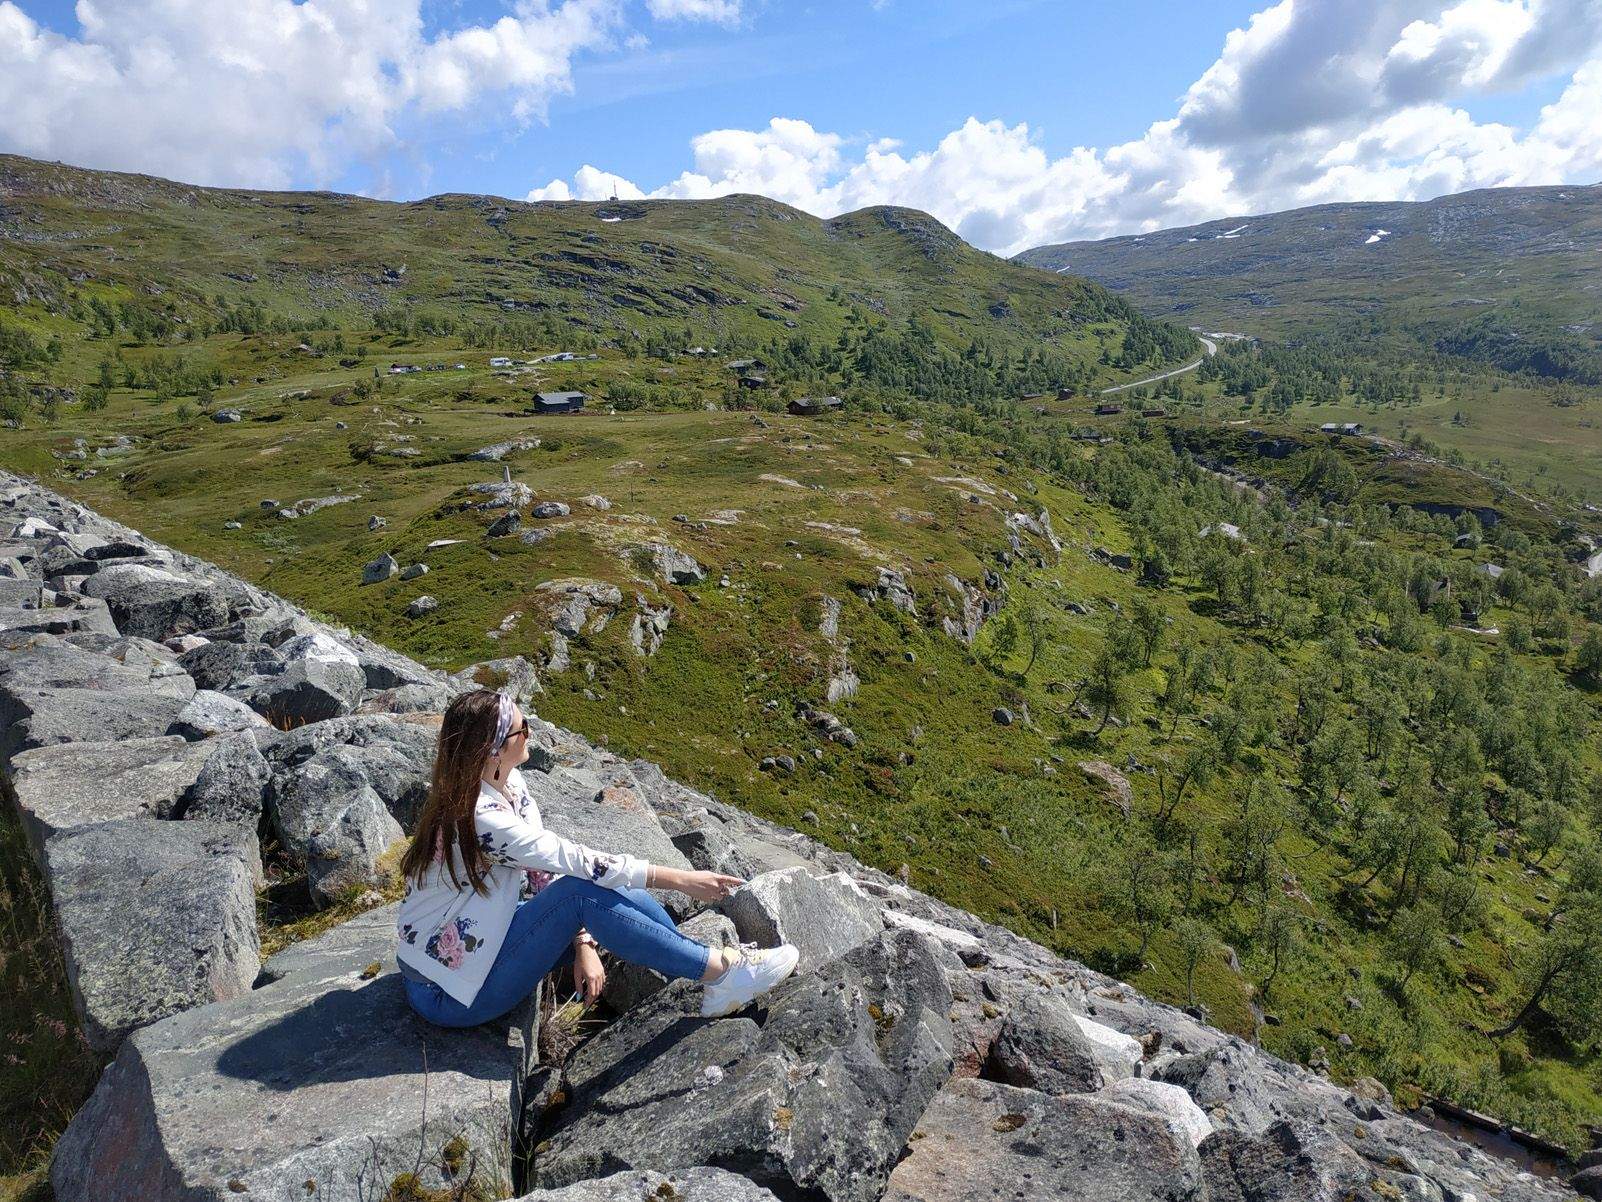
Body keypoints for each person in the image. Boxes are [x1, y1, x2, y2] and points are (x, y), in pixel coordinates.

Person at [395, 689, 798, 1027]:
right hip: (446, 991)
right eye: (522, 728)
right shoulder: (479, 815)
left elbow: (542, 868)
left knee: (588, 892)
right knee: (581, 894)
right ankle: (722, 972)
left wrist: (582, 941)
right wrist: (680, 879)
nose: (530, 733)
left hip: (476, 952)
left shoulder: (504, 783)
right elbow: (570, 859)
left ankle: (711, 971)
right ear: (494, 750)